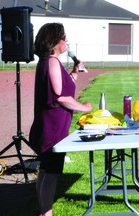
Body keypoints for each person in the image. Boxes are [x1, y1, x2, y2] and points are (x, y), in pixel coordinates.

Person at [29, 23, 92, 216]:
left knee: (45, 169)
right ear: (55, 41)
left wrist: (73, 72)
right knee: (51, 172)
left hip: (49, 125)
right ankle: (46, 213)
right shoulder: (52, 62)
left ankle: (43, 211)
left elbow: (62, 87)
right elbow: (60, 97)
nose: (67, 41)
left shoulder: (50, 61)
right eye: (64, 37)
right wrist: (85, 108)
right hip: (53, 128)